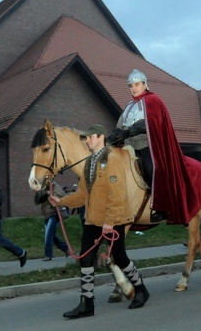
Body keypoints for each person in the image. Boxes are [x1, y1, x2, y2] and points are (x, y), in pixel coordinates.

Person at [51, 124, 149, 319]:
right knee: (86, 259)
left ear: (101, 137)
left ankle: (141, 289)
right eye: (86, 138)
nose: (87, 141)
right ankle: (87, 304)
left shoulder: (112, 159)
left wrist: (110, 222)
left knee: (120, 258)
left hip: (113, 219)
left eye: (90, 138)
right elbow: (82, 195)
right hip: (93, 219)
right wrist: (61, 201)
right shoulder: (89, 163)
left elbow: (117, 195)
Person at [108, 69, 192, 224]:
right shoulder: (129, 106)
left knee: (152, 167)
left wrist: (130, 132)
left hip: (147, 144)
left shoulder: (153, 100)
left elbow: (150, 123)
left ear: (144, 84)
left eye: (137, 84)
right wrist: (113, 137)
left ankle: (161, 207)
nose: (134, 88)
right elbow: (120, 125)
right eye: (131, 85)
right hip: (128, 145)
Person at [34, 179, 69, 261]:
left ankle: (48, 255)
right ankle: (66, 248)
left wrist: (52, 194)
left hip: (55, 214)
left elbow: (62, 195)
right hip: (47, 214)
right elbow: (36, 201)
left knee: (48, 233)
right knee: (51, 235)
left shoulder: (54, 186)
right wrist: (44, 193)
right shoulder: (41, 188)